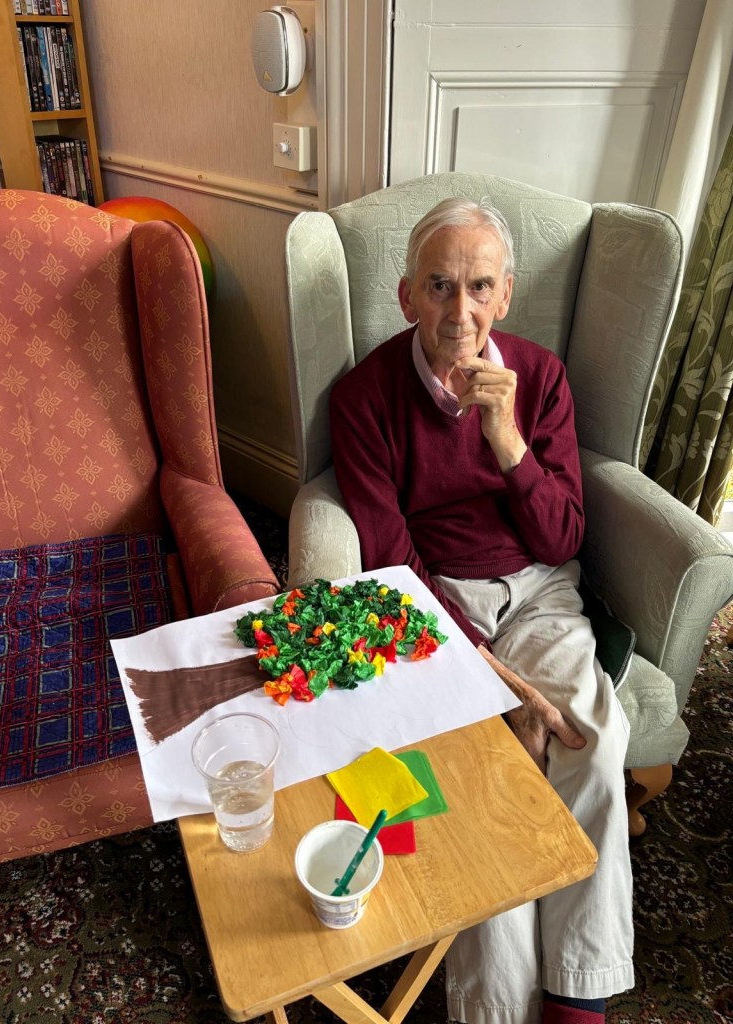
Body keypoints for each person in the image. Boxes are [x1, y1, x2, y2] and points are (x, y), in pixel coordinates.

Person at [329, 197, 633, 1024]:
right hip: (438, 600)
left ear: (504, 296)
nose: (459, 312)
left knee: (594, 742)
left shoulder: (541, 378)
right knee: (485, 770)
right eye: (439, 286)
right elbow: (391, 562)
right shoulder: (364, 398)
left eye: (479, 288)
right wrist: (486, 680)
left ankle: (577, 1000)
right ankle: (497, 1011)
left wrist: (507, 440)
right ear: (407, 297)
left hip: (540, 588)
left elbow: (562, 535)